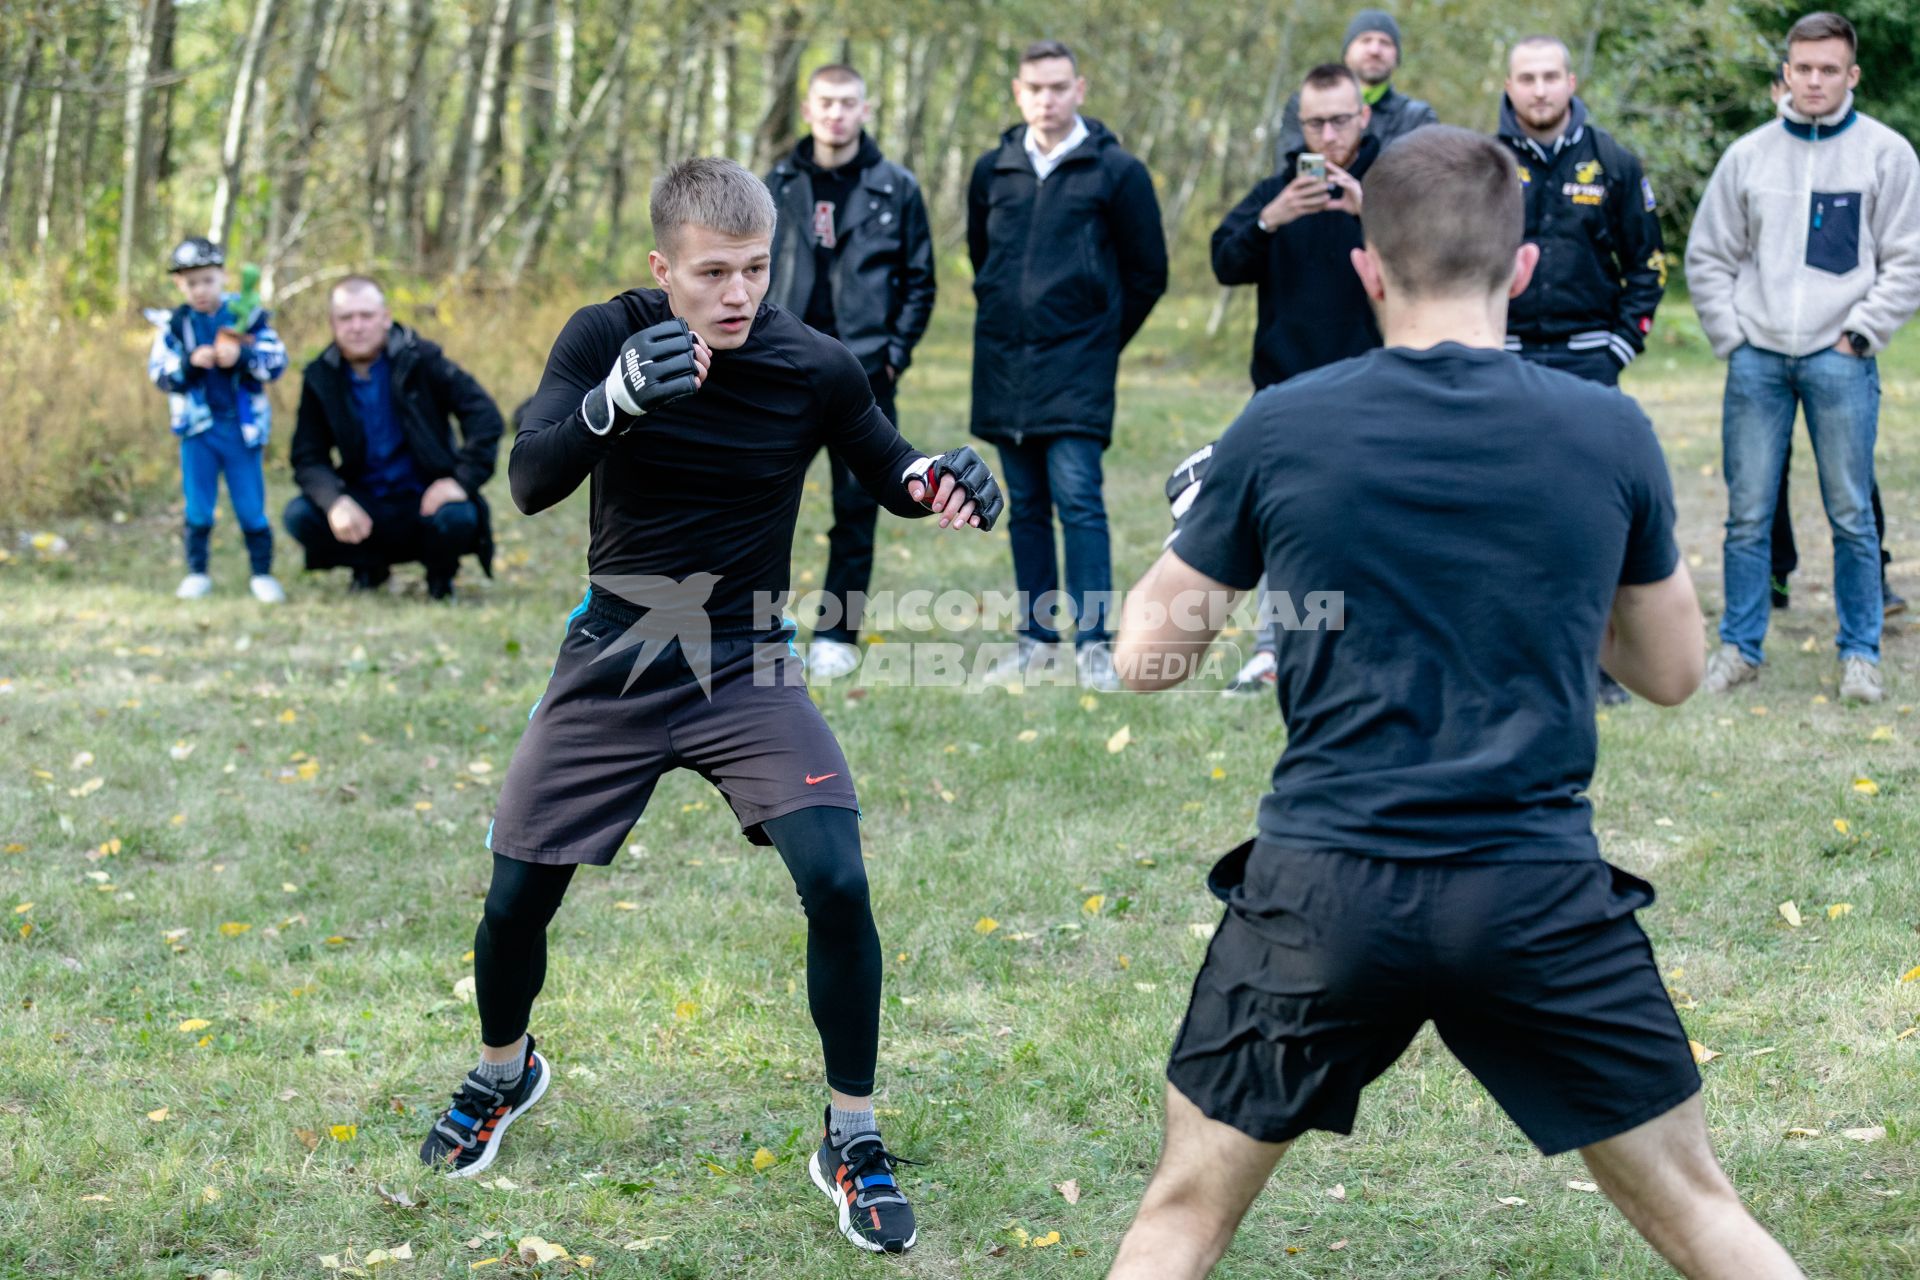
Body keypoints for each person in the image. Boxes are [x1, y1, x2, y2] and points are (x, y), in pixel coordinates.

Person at [1106, 126, 1803, 1280]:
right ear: (1523, 268)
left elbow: (1146, 657)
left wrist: (1213, 518)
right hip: (1532, 892)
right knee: (1697, 1206)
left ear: (1365, 268)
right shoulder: (1609, 428)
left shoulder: (1279, 425)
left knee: (1180, 1215)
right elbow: (1674, 674)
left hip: (1324, 893)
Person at [416, 158, 1002, 1260]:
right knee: (513, 900)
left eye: (755, 270)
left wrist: (945, 480)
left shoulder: (810, 361)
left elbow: (889, 466)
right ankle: (505, 1068)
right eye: (713, 273)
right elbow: (531, 477)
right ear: (662, 268)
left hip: (745, 660)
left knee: (838, 876)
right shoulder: (605, 335)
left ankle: (853, 1132)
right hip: (617, 656)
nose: (737, 294)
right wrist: (614, 401)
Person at [1687, 11, 1920, 705]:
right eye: (1803, 68)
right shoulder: (1749, 155)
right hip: (1757, 360)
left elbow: (1907, 259)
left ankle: (1860, 656)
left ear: (1852, 75)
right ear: (1786, 72)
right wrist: (1733, 336)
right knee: (1747, 515)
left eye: (1829, 69)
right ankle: (1740, 647)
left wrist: (1860, 335)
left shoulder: (1886, 154)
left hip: (1839, 358)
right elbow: (1708, 254)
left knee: (1851, 513)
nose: (1814, 81)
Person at [968, 39, 1167, 689]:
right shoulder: (991, 170)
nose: (1047, 100)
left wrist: (1100, 338)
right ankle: (1035, 640)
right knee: (1024, 505)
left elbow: (1147, 272)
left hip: (1078, 366)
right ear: (1018, 93)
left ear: (1080, 90)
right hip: (1005, 365)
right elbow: (983, 258)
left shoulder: (1116, 171)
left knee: (1079, 499)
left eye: (1059, 87)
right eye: (1035, 88)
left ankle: (1094, 646)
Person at [1497, 34, 1669, 706]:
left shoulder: (1615, 162)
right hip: (1504, 363)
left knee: (1587, 515)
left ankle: (1595, 659)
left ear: (1571, 82)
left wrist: (1621, 347)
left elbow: (1649, 267)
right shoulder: (1482, 163)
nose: (1539, 89)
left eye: (1550, 76)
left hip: (1587, 365)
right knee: (1506, 510)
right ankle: (1511, 653)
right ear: (1508, 86)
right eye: (1526, 78)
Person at [1210, 62, 1382, 696]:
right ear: (1300, 124)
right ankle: (1272, 650)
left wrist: (1372, 212)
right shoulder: (1276, 190)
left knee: (1365, 524)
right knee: (1284, 522)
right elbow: (1225, 261)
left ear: (1364, 116)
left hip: (1371, 382)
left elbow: (1429, 264)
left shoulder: (1392, 185)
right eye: (1316, 123)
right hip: (1284, 388)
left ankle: (1360, 648)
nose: (1329, 135)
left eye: (1341, 120)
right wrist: (1270, 220)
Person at [765, 63, 937, 679]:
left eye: (848, 103)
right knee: (760, 499)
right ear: (808, 110)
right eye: (825, 102)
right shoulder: (777, 183)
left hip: (864, 372)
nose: (836, 113)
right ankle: (753, 627)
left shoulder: (896, 187)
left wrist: (894, 354)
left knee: (858, 504)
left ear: (866, 109)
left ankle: (837, 634)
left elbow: (921, 280)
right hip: (781, 365)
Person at [1758, 64, 1906, 619]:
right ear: (1780, 88)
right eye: (1791, 80)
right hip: (1770, 346)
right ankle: (1776, 574)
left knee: (1852, 473)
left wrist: (1857, 334)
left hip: (1838, 348)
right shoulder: (1760, 159)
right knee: (1767, 471)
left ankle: (1877, 578)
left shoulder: (1860, 154)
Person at [283, 277, 503, 600]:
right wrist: (335, 501)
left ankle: (441, 575)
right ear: (333, 324)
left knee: (459, 515)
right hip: (366, 502)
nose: (357, 326)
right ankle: (369, 568)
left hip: (424, 500)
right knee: (299, 515)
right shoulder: (321, 376)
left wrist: (459, 481)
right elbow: (307, 456)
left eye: (366, 315)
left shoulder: (422, 358)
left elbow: (485, 417)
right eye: (346, 318)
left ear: (385, 318)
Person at [146, 236, 290, 603]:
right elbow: (159, 374)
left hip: (241, 431)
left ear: (223, 277)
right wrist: (188, 365)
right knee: (198, 505)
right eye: (191, 283)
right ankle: (197, 572)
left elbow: (277, 363)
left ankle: (262, 574)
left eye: (207, 280)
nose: (200, 290)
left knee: (250, 505)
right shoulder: (176, 326)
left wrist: (242, 358)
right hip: (197, 431)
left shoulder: (248, 316)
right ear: (180, 284)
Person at [1274, 8, 1436, 163]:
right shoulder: (1302, 106)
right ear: (1347, 52)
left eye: (1385, 43)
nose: (1374, 50)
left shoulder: (1417, 118)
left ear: (1397, 56)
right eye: (1365, 40)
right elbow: (1288, 168)